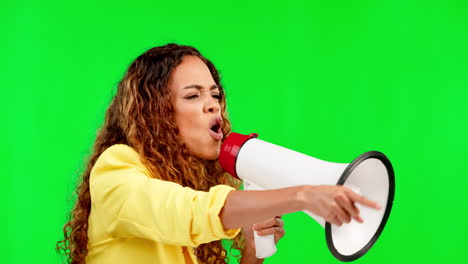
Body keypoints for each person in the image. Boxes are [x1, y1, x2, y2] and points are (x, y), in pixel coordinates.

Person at [57, 43, 381, 264]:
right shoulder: (115, 170)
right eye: (193, 95)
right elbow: (188, 211)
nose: (213, 103)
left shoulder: (184, 184)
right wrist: (303, 195)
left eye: (215, 93)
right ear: (157, 112)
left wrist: (252, 254)